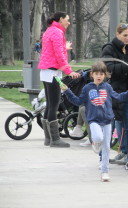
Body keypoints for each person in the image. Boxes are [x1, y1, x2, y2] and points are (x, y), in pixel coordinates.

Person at [61, 61, 128, 181]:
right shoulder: (87, 88)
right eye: (96, 73)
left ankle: (104, 172)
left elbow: (119, 97)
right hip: (93, 120)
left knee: (107, 147)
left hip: (108, 120)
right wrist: (67, 91)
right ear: (92, 74)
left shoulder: (108, 87)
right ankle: (95, 143)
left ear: (105, 75)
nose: (99, 76)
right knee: (98, 138)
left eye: (101, 74)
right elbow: (77, 101)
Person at [38, 12, 80, 148]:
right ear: (61, 19)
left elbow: (52, 50)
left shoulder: (49, 30)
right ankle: (55, 140)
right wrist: (69, 71)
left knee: (50, 103)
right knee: (54, 104)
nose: (69, 22)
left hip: (46, 71)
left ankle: (48, 138)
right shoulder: (57, 32)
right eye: (67, 20)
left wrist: (64, 48)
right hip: (53, 71)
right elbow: (58, 55)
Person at [101, 23, 128, 165]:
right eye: (125, 35)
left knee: (126, 124)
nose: (127, 38)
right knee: (118, 125)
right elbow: (108, 68)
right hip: (115, 92)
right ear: (117, 34)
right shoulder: (109, 48)